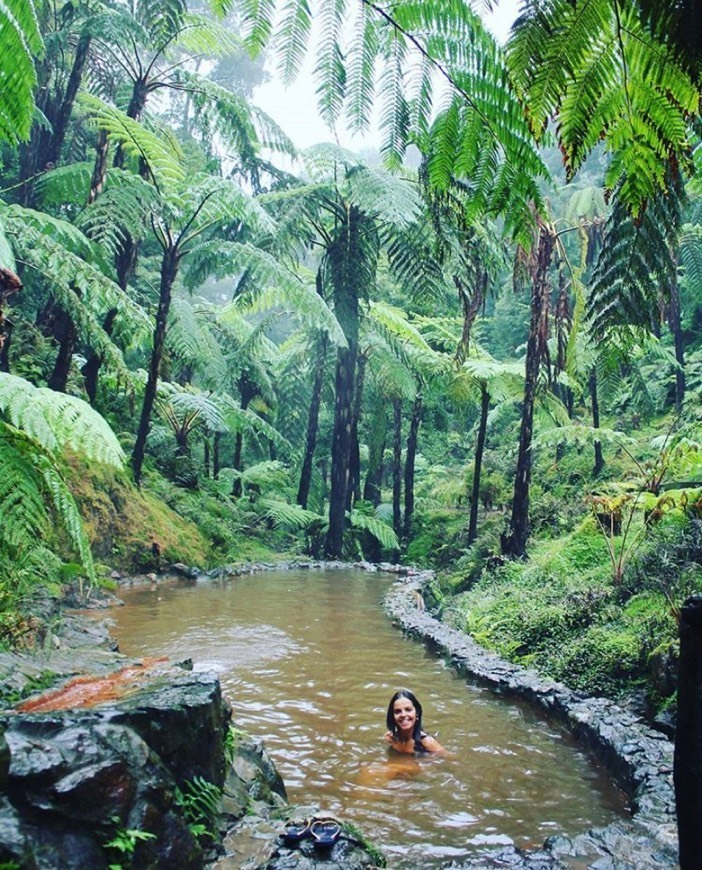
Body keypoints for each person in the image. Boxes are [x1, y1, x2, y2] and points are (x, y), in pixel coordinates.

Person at [383, 689, 444, 754]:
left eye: (408, 710)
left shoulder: (427, 742)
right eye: (398, 711)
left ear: (417, 713)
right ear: (392, 716)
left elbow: (449, 759)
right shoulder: (390, 738)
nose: (403, 715)